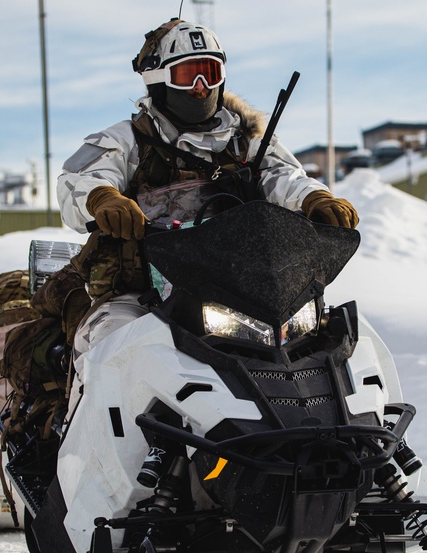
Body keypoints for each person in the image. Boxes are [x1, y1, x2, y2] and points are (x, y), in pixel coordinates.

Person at [56, 18, 359, 372]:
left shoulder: (246, 143)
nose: (201, 88)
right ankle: (94, 424)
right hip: (143, 295)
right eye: (188, 75)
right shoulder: (127, 139)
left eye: (210, 73)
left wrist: (314, 198)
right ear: (159, 79)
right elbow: (79, 178)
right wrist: (101, 198)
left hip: (244, 292)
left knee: (325, 338)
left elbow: (284, 176)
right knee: (112, 348)